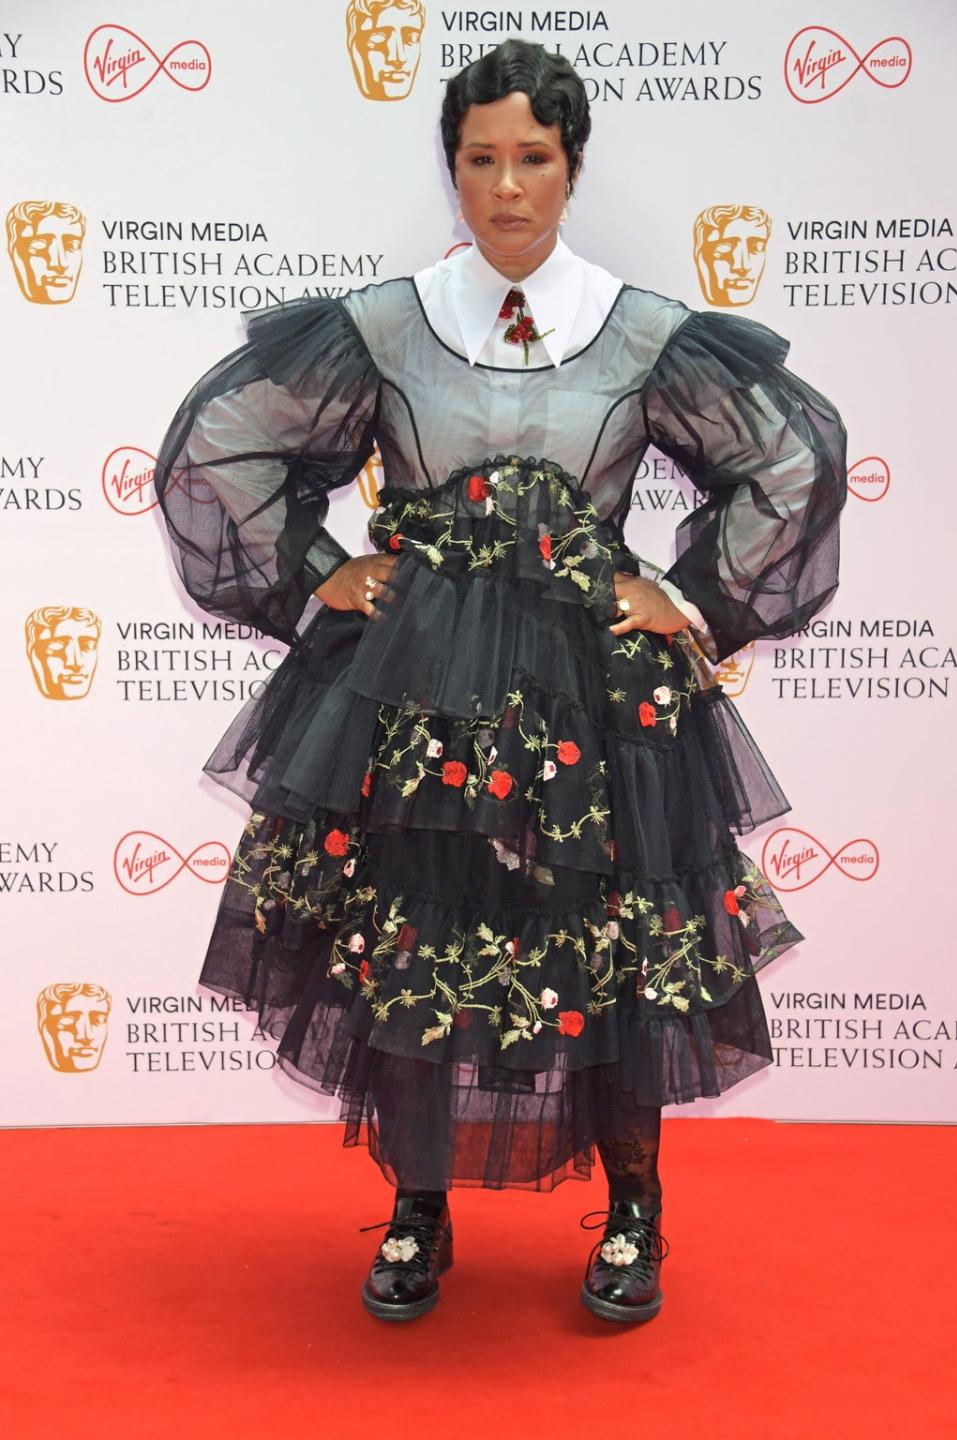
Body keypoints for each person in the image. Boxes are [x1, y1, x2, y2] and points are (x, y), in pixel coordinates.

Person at [153, 39, 847, 1325]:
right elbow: (218, 448)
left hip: (596, 700)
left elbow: (797, 460)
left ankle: (635, 1214)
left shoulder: (645, 334)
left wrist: (686, 598)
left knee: (616, 945)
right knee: (420, 928)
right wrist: (318, 571)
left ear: (572, 168)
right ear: (452, 169)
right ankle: (420, 1209)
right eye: (482, 160)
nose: (508, 188)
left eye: (534, 158)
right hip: (416, 700)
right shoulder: (384, 326)